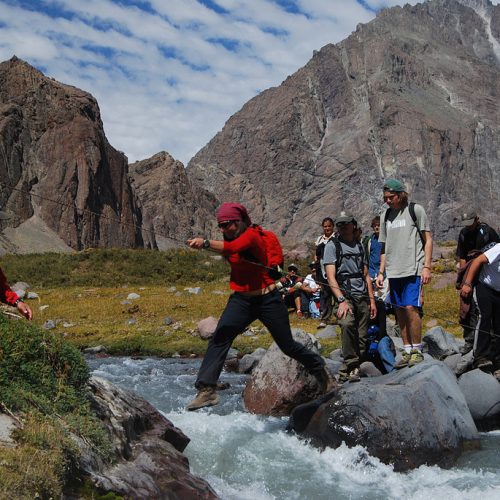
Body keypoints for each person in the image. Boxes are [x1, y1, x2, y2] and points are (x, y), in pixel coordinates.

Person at [185, 202, 337, 410]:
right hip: (241, 300)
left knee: (287, 345)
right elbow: (230, 250)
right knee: (221, 336)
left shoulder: (251, 236)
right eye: (220, 225)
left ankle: (321, 371)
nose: (222, 229)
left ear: (239, 222)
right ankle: (207, 390)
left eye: (226, 224)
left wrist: (204, 243)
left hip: (268, 299)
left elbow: (233, 248)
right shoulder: (232, 236)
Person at [376, 179, 433, 369]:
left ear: (400, 195)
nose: (388, 201)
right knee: (399, 310)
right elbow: (383, 247)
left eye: (390, 197)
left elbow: (428, 239)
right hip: (394, 271)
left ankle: (417, 350)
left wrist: (427, 266)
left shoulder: (415, 210)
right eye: (385, 198)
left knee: (411, 308)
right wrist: (381, 272)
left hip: (413, 268)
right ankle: (407, 350)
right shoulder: (385, 216)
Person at [323, 212, 377, 382]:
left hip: (362, 296)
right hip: (344, 295)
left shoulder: (360, 246)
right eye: (339, 224)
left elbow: (366, 275)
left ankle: (353, 368)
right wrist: (341, 301)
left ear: (353, 225)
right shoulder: (332, 246)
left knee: (361, 335)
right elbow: (330, 277)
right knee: (347, 325)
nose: (343, 227)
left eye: (346, 223)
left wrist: (372, 300)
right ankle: (350, 365)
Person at [456, 210, 499, 354]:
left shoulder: (488, 232)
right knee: (467, 308)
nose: (468, 227)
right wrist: (464, 278)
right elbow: (462, 256)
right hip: (470, 274)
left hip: (486, 274)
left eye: (470, 223)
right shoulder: (463, 234)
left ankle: (490, 342)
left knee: (485, 312)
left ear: (477, 219)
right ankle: (469, 340)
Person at [460, 243, 500, 376]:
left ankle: (497, 359)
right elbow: (478, 260)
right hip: (485, 286)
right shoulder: (498, 249)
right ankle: (480, 356)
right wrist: (467, 283)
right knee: (484, 317)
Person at [365, 216, 389, 337]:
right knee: (373, 296)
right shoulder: (370, 240)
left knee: (383, 296)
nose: (376, 227)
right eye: (374, 226)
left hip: (384, 273)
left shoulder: (387, 239)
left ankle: (384, 321)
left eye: (378, 225)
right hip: (372, 271)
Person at [315, 217, 335, 328]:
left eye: (329, 226)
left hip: (335, 269)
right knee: (326, 295)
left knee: (338, 293)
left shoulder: (337, 238)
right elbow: (316, 256)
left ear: (333, 226)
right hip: (322, 270)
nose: (327, 228)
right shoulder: (319, 240)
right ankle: (325, 318)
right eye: (325, 226)